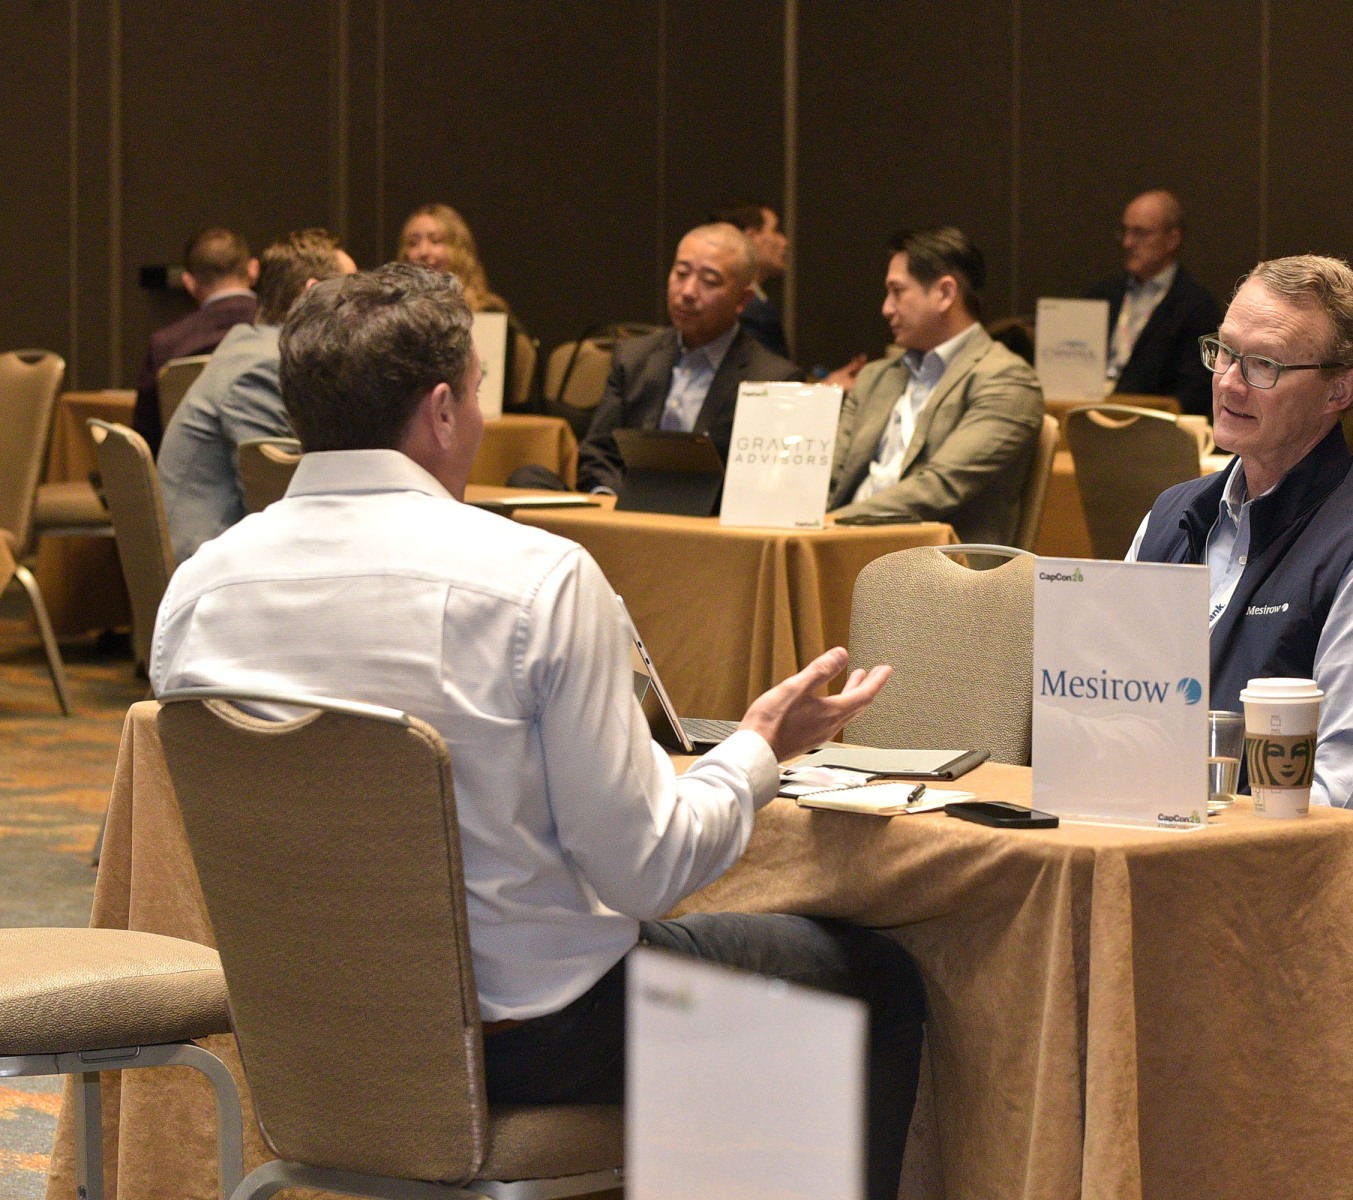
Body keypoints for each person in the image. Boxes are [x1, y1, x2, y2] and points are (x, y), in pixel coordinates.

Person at [149, 263, 926, 1200]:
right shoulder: (534, 581)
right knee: (878, 982)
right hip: (529, 1038)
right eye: (477, 393)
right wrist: (757, 749)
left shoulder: (198, 591)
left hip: (305, 1031)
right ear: (442, 410)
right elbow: (645, 871)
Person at [1123, 255, 1353, 887]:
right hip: (1136, 852)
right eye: (1224, 352)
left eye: (1264, 365)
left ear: (1340, 391)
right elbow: (1106, 713)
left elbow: (1342, 806)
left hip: (1271, 891)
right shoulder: (1169, 518)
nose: (1228, 383)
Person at [827, 227, 1045, 545]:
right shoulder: (876, 377)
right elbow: (830, 476)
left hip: (939, 564)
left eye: (897, 292)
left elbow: (938, 488)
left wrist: (829, 527)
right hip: (837, 549)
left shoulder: (1008, 381)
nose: (886, 308)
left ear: (944, 294)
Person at [158, 228, 354, 563]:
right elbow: (279, 506)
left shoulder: (251, 348)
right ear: (313, 294)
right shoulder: (265, 369)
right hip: (212, 573)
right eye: (352, 297)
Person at [568, 223, 803, 494]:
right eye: (681, 274)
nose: (688, 291)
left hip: (709, 516)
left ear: (743, 299)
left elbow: (765, 484)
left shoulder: (772, 380)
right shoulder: (633, 358)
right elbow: (598, 453)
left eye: (709, 281)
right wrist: (614, 503)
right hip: (625, 508)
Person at [1086, 190, 1224, 416]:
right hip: (1088, 413)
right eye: (1125, 231)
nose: (1127, 243)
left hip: (1149, 423)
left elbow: (1194, 395)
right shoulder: (1102, 295)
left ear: (1172, 240)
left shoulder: (1197, 307)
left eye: (1140, 233)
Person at [133, 227, 260, 453]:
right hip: (275, 473)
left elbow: (147, 439)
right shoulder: (286, 332)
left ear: (189, 283)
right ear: (253, 269)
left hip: (187, 470)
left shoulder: (165, 345)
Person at [397, 203, 509, 312]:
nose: (423, 252)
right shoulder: (395, 311)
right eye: (413, 243)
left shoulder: (488, 312)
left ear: (459, 250)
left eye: (435, 240)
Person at [714, 200, 790, 359]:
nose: (784, 242)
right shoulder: (750, 310)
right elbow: (767, 374)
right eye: (775, 231)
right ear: (751, 238)